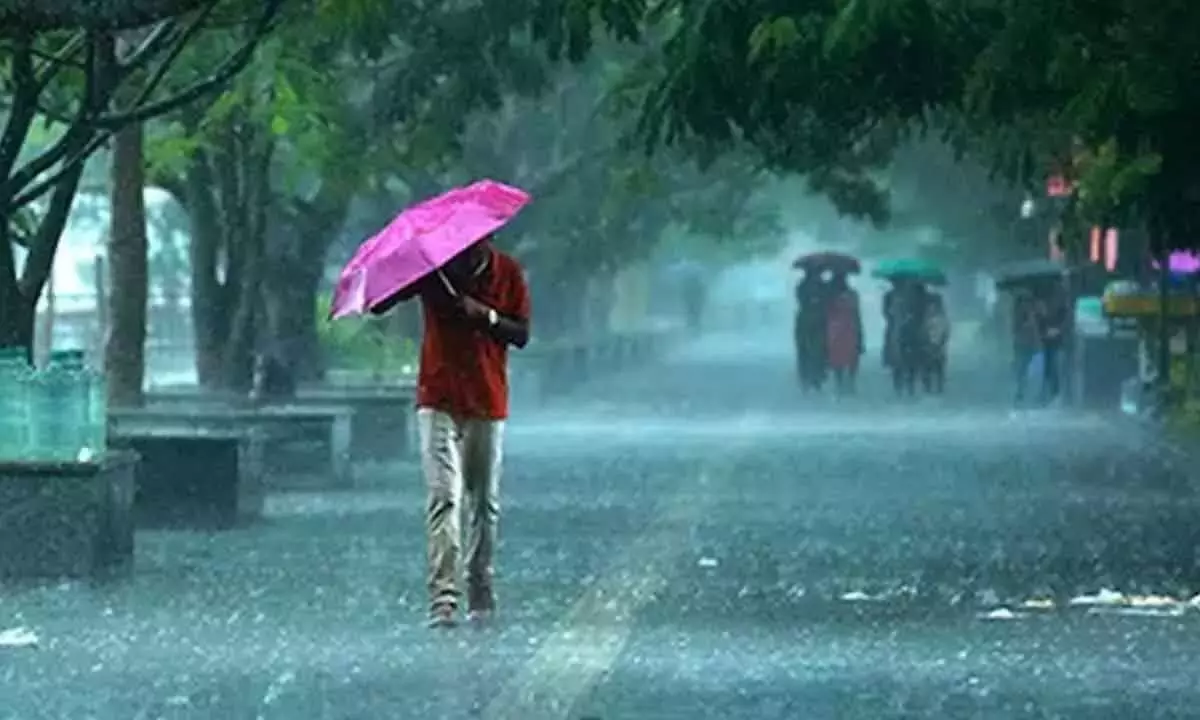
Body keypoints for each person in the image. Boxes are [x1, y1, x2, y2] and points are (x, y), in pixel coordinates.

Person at [373, 235, 531, 628]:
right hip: (438, 396)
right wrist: (407, 273)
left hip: (487, 400)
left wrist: (486, 316)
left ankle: (480, 584)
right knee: (444, 496)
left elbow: (522, 334)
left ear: (489, 239)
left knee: (484, 502)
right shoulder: (434, 271)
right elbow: (380, 304)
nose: (466, 249)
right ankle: (444, 598)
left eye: (475, 243)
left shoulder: (507, 272)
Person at [825, 272, 863, 394]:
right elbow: (856, 313)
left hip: (835, 328)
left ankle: (840, 382)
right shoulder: (852, 295)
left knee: (837, 356)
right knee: (852, 354)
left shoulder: (829, 296)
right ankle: (850, 382)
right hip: (850, 327)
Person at [794, 270, 829, 391]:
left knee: (809, 350)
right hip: (816, 320)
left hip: (809, 319)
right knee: (816, 349)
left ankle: (810, 377)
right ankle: (814, 377)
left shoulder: (802, 286)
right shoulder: (822, 286)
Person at [1038, 284, 1069, 404]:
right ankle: (1048, 395)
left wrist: (1057, 330)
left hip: (1058, 345)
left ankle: (1054, 395)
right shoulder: (1044, 311)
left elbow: (1066, 325)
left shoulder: (1062, 311)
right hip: (1048, 344)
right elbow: (1041, 326)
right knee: (1049, 370)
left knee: (1055, 369)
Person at [1011, 288, 1042, 404]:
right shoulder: (1018, 312)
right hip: (1023, 344)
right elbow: (1015, 328)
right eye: (1024, 300)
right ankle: (1021, 392)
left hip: (1031, 345)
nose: (1027, 303)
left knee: (1027, 370)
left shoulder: (1036, 309)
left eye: (1028, 300)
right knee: (1022, 370)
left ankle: (1025, 393)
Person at [921, 291, 950, 394]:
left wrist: (940, 343)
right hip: (929, 347)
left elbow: (946, 333)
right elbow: (923, 333)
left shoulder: (942, 319)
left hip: (939, 347)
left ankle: (939, 388)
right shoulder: (926, 319)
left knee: (939, 369)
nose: (931, 308)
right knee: (927, 369)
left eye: (933, 306)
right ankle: (928, 388)